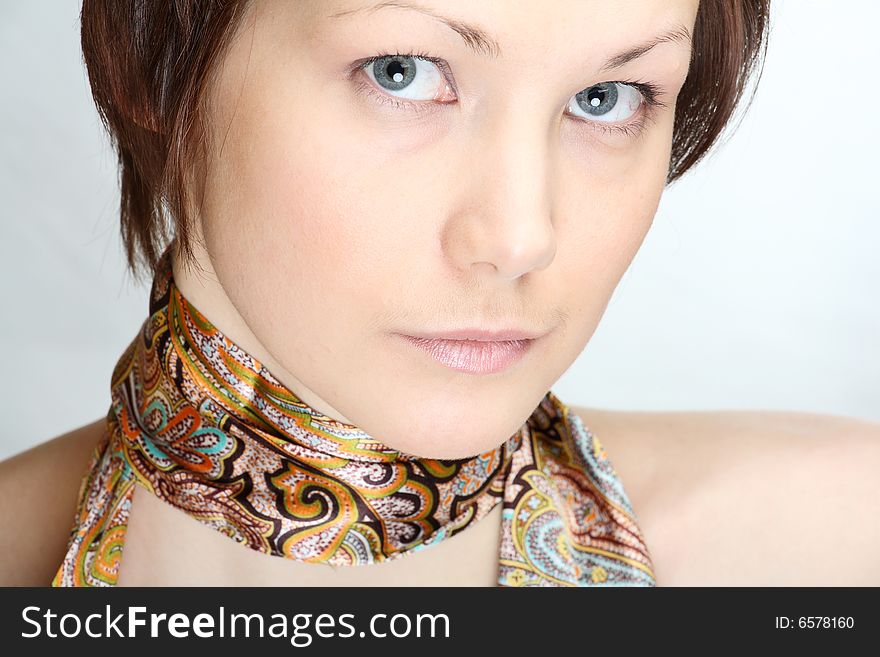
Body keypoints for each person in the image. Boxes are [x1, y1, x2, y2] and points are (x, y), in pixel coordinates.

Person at [1, 0, 878, 587]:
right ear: (149, 58)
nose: (520, 236)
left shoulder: (837, 545)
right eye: (403, 72)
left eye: (606, 98)